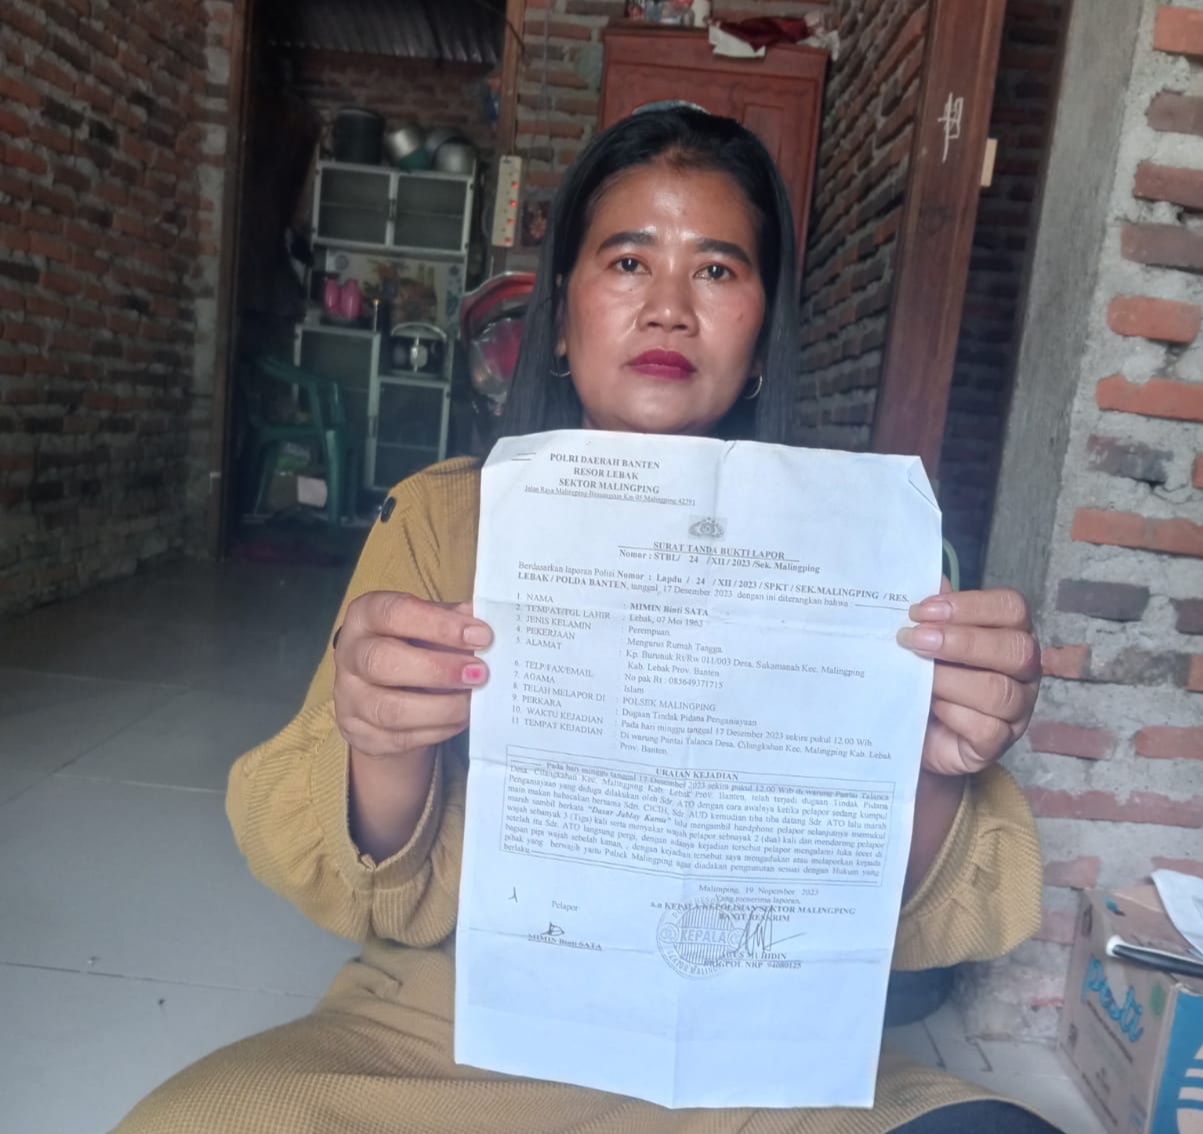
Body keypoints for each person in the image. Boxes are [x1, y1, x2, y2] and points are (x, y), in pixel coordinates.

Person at [116, 107, 1051, 1134]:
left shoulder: (863, 559)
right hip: (457, 1033)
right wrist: (381, 741)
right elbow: (368, 894)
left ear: (761, 334)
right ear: (560, 317)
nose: (668, 310)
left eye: (717, 270)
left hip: (755, 1054)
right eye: (628, 262)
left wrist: (934, 761)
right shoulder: (444, 520)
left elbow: (899, 936)